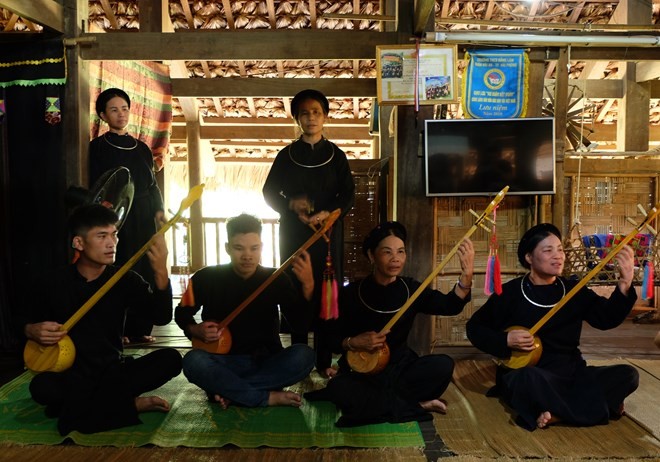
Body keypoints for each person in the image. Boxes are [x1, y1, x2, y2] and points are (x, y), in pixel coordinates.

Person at [18, 204, 182, 435]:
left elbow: (161, 316)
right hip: (70, 373)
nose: (112, 242)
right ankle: (129, 405)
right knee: (42, 388)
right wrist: (30, 329)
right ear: (79, 243)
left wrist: (160, 272)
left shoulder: (125, 279)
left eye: (114, 234)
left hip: (111, 370)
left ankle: (77, 410)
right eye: (101, 236)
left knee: (171, 359)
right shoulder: (52, 282)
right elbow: (23, 321)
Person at [466, 223, 639, 431]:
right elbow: (475, 328)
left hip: (571, 372)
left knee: (628, 375)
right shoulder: (510, 293)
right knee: (524, 380)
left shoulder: (573, 290)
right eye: (548, 250)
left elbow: (605, 319)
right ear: (529, 258)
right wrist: (505, 340)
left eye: (560, 250)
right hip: (534, 373)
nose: (558, 256)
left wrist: (624, 286)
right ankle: (596, 406)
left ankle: (556, 413)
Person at [305, 221, 475, 426]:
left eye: (401, 252)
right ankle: (417, 406)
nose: (396, 258)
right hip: (362, 372)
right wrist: (353, 342)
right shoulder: (351, 293)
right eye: (387, 252)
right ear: (371, 255)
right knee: (340, 389)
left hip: (400, 368)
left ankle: (381, 405)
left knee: (443, 365)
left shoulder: (411, 289)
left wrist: (466, 278)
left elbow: (449, 305)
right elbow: (329, 336)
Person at [175, 213, 316, 408]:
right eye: (239, 248)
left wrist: (308, 287)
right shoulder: (205, 277)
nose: (247, 255)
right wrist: (194, 329)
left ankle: (230, 391)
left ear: (262, 248)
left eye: (254, 248)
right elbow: (181, 312)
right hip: (223, 361)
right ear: (227, 248)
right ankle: (265, 396)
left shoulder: (276, 278)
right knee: (193, 361)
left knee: (305, 355)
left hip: (267, 360)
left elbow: (299, 324)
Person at [262, 89, 355, 376]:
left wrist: (330, 213)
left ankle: (325, 361)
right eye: (305, 112)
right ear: (297, 118)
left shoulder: (336, 155)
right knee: (295, 291)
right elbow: (268, 192)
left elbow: (348, 195)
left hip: (327, 237)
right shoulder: (286, 155)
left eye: (316, 112)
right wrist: (292, 206)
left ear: (325, 116)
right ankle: (299, 359)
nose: (311, 117)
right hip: (294, 234)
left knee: (327, 292)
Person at [89, 87, 165, 344]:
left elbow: (153, 186)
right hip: (115, 219)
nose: (121, 114)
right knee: (115, 268)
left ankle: (141, 328)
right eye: (113, 110)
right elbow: (96, 185)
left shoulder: (142, 148)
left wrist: (159, 212)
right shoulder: (97, 148)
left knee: (144, 269)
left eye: (124, 109)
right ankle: (118, 330)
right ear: (103, 115)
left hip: (143, 218)